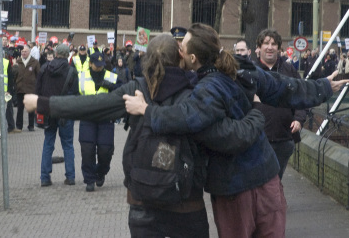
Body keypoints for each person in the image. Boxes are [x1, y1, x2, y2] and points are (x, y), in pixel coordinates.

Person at [23, 34, 266, 237]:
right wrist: (255, 111)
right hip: (186, 202)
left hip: (142, 201)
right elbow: (227, 136)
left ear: (147, 59)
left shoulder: (136, 89)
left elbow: (93, 105)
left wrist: (44, 103)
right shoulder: (197, 92)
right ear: (181, 56)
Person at [122, 23, 346, 238]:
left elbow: (187, 118)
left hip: (233, 188)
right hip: (266, 176)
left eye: (182, 47)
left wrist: (146, 110)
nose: (178, 49)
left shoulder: (204, 90)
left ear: (192, 58)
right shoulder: (240, 68)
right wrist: (323, 87)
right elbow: (282, 87)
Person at [254, 29, 306, 180]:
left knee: (276, 179)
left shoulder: (288, 70)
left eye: (273, 44)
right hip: (258, 138)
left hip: (284, 138)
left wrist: (299, 119)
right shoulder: (252, 71)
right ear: (259, 47)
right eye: (266, 43)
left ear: (278, 48)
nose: (270, 47)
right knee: (262, 182)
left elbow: (301, 96)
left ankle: (275, 202)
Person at [35, 44, 79, 187]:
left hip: (49, 110)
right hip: (65, 112)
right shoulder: (72, 71)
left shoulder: (44, 68)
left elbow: (38, 91)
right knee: (68, 145)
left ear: (55, 53)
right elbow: (75, 94)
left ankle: (45, 177)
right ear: (68, 55)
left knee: (48, 143)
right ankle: (70, 176)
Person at [78, 51, 121, 192]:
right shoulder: (81, 77)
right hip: (87, 119)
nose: (100, 67)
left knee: (105, 151)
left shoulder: (112, 77)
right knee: (87, 150)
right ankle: (89, 179)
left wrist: (112, 87)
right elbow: (74, 96)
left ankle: (100, 172)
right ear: (90, 64)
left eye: (102, 65)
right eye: (97, 65)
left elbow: (123, 92)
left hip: (105, 120)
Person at [13, 45, 40, 131]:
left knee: (31, 108)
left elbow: (38, 75)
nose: (24, 53)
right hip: (20, 89)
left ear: (29, 52)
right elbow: (14, 75)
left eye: (25, 51)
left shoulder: (35, 62)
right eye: (22, 52)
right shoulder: (18, 61)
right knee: (20, 109)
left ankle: (31, 126)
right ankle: (19, 126)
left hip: (31, 89)